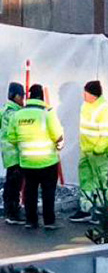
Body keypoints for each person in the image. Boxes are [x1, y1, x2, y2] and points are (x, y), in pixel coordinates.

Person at [6, 84, 64, 230]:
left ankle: (31, 221)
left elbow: (11, 138)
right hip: (47, 161)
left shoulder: (17, 115)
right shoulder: (47, 113)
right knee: (48, 191)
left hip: (26, 162)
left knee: (30, 191)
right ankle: (49, 222)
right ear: (42, 97)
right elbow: (57, 135)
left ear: (29, 96)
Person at [70, 80, 108, 223]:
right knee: (86, 181)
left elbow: (106, 134)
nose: (83, 95)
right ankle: (85, 209)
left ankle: (102, 212)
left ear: (93, 94)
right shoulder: (86, 106)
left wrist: (98, 150)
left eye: (86, 92)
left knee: (101, 182)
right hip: (86, 151)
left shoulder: (104, 109)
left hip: (98, 153)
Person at [0, 82, 25, 225]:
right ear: (15, 96)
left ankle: (9, 210)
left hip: (7, 154)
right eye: (21, 97)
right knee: (15, 184)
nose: (23, 100)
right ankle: (13, 213)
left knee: (10, 182)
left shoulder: (3, 110)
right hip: (16, 154)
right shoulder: (16, 114)